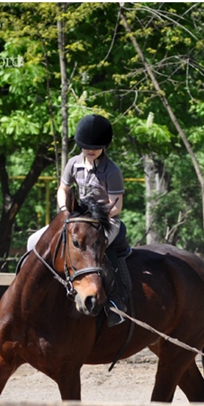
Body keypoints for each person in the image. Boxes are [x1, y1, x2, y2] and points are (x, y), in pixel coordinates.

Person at [27, 114, 131, 327]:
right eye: (86, 146)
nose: (90, 150)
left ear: (104, 146)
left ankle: (114, 302)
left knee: (95, 250)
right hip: (77, 219)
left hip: (105, 221)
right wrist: (65, 210)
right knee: (33, 241)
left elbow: (116, 205)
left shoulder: (112, 171)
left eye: (96, 146)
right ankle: (28, 290)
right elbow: (63, 189)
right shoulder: (74, 163)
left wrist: (94, 218)